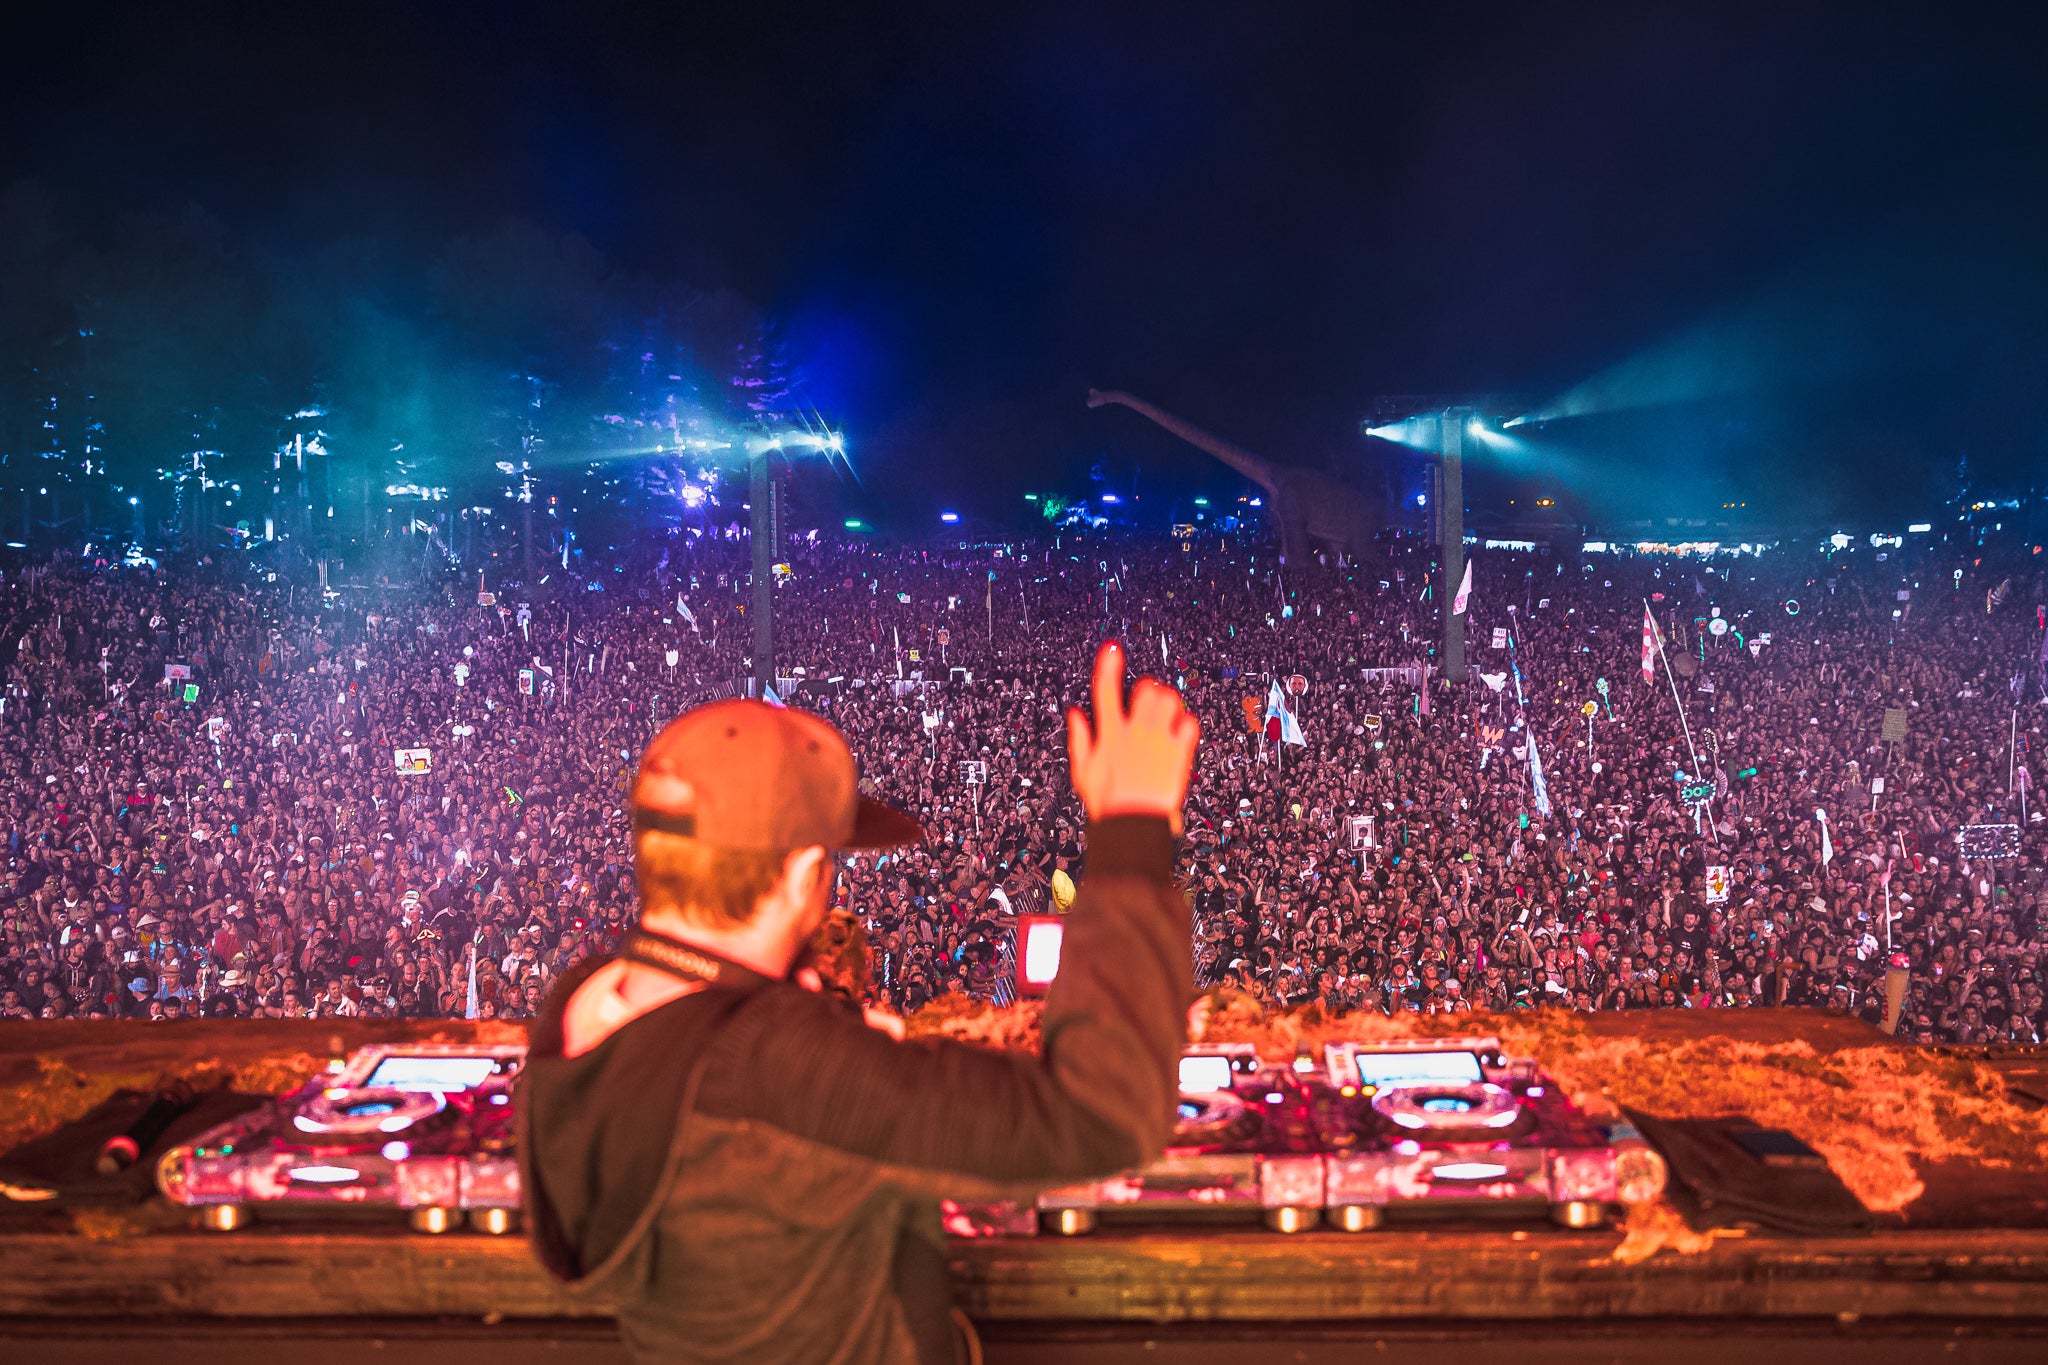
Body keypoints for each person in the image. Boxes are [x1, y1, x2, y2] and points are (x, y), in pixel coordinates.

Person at [517, 640, 1199, 1364]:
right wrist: (1131, 831)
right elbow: (1098, 1116)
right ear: (804, 872)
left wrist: (816, 1014)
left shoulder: (581, 1003)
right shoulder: (787, 1064)